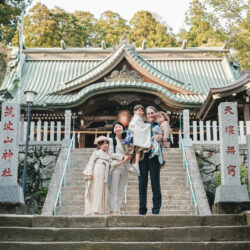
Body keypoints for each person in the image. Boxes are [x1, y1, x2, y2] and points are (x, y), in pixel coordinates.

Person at [83, 135, 123, 216]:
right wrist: (90, 174)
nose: (105, 145)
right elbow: (91, 162)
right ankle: (94, 210)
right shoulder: (96, 153)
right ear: (100, 145)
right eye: (103, 144)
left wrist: (123, 161)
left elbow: (113, 163)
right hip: (98, 171)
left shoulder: (108, 155)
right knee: (96, 190)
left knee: (103, 190)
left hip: (105, 172)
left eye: (107, 143)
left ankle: (100, 210)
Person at [138, 106, 162, 215]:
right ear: (146, 116)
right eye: (148, 113)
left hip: (154, 157)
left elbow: (167, 142)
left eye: (152, 113)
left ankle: (156, 209)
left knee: (155, 183)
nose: (150, 115)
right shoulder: (143, 126)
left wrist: (161, 138)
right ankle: (142, 209)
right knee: (142, 183)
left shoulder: (160, 126)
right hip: (143, 156)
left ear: (155, 114)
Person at [108, 121, 131, 214]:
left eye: (120, 126)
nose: (118, 128)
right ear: (113, 130)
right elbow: (110, 154)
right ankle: (112, 210)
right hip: (116, 167)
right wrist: (122, 157)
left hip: (126, 167)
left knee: (121, 191)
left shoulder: (128, 140)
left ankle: (117, 210)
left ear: (123, 128)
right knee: (113, 189)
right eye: (116, 127)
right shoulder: (111, 140)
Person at [128, 104, 151, 175]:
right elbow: (139, 127)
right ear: (134, 111)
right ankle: (136, 164)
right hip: (137, 137)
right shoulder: (136, 118)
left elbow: (140, 127)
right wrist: (148, 125)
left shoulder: (137, 118)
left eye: (142, 111)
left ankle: (135, 164)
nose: (141, 112)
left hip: (137, 137)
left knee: (138, 151)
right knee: (138, 150)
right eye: (139, 110)